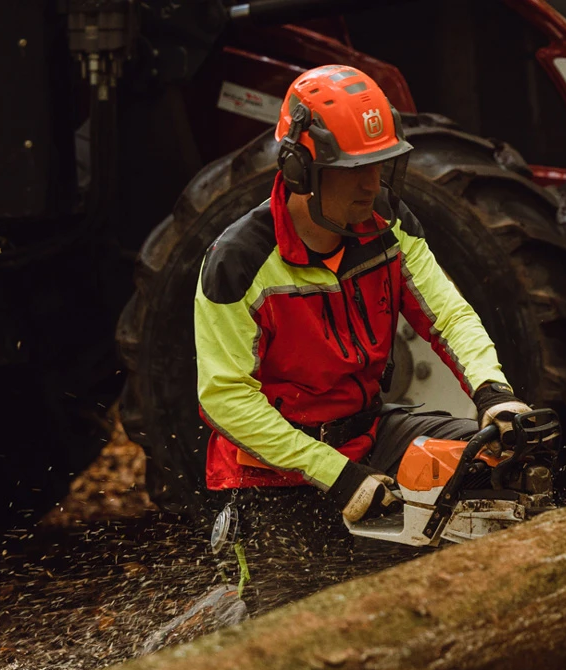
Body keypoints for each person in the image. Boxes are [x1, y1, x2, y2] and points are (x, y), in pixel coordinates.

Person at [193, 64, 545, 538]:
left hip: (370, 432)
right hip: (276, 471)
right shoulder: (238, 264)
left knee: (505, 464)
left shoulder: (387, 224)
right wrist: (334, 474)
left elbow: (448, 313)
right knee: (300, 606)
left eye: (379, 165)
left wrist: (493, 394)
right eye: (354, 169)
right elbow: (226, 399)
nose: (371, 183)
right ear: (300, 169)